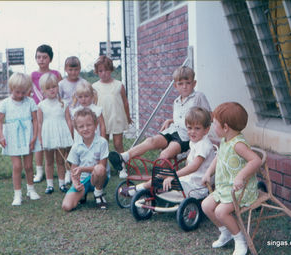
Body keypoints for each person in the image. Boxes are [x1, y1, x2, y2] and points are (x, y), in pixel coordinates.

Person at [109, 66, 211, 178]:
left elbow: (208, 116)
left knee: (165, 154)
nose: (185, 87)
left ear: (194, 83)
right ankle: (124, 157)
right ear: (175, 86)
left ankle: (162, 180)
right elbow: (183, 118)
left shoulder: (198, 97)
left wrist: (204, 134)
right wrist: (170, 120)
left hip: (185, 137)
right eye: (181, 84)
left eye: (188, 83)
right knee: (151, 140)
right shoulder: (176, 101)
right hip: (173, 130)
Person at [201, 102, 262, 255]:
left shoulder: (238, 144)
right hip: (225, 187)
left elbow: (256, 160)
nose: (213, 127)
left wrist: (241, 176)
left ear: (225, 127)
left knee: (221, 211)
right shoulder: (225, 141)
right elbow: (219, 157)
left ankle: (240, 240)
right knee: (206, 206)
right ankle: (226, 232)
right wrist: (208, 172)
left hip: (241, 189)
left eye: (215, 124)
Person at [121, 107, 215, 199]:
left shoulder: (204, 145)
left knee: (165, 178)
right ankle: (142, 189)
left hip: (197, 186)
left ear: (206, 130)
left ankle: (140, 190)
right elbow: (189, 164)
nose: (192, 132)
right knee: (162, 175)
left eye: (197, 128)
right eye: (189, 128)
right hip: (190, 180)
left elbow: (194, 166)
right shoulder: (194, 142)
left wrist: (174, 175)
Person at [0, 72, 41, 206]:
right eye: (17, 92)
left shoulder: (30, 102)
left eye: (24, 92)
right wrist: (1, 136)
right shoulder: (5, 103)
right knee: (17, 166)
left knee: (28, 166)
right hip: (13, 138)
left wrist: (34, 137)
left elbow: (35, 120)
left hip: (28, 137)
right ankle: (17, 194)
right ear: (11, 89)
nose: (21, 95)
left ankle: (31, 189)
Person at [61, 108, 110, 211]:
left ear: (95, 125)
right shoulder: (76, 146)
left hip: (99, 178)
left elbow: (102, 166)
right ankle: (83, 194)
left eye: (89, 125)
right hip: (83, 180)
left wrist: (82, 169)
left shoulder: (102, 142)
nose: (85, 129)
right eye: (81, 126)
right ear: (77, 129)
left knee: (99, 169)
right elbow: (74, 170)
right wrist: (75, 182)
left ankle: (99, 193)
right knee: (67, 206)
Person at [92, 56, 132, 178]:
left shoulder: (119, 85)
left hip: (116, 117)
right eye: (100, 71)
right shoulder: (94, 87)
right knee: (102, 143)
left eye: (106, 70)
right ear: (97, 72)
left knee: (118, 143)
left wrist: (128, 116)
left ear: (111, 70)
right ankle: (102, 167)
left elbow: (125, 102)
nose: (104, 73)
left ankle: (122, 167)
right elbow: (93, 105)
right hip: (102, 119)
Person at [31, 44, 62, 183]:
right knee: (40, 142)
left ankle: (64, 170)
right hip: (39, 112)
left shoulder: (56, 74)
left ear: (50, 59)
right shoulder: (32, 75)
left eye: (44, 57)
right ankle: (39, 171)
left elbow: (61, 92)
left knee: (58, 141)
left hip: (54, 111)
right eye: (38, 57)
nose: (41, 60)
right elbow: (27, 93)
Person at [37, 73, 73, 194]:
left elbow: (68, 120)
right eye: (48, 88)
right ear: (43, 90)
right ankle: (50, 185)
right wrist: (40, 138)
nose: (52, 90)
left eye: (54, 86)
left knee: (60, 160)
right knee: (49, 161)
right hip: (48, 135)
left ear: (57, 87)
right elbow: (40, 123)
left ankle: (62, 183)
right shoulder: (41, 105)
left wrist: (70, 134)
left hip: (61, 134)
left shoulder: (63, 103)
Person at [59, 56, 86, 184]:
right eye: (70, 70)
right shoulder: (62, 84)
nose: (73, 72)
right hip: (66, 118)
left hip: (82, 118)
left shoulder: (83, 83)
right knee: (68, 146)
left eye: (76, 70)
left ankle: (82, 170)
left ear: (79, 69)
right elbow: (59, 102)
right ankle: (68, 172)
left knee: (81, 144)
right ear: (65, 69)